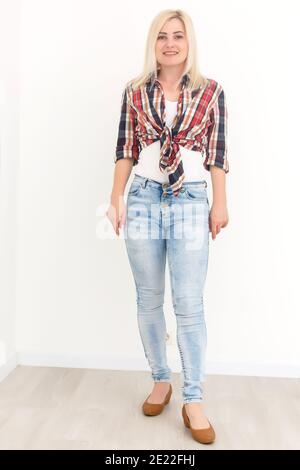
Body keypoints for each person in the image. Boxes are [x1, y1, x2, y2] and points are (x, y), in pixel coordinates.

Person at [106, 8, 229, 445]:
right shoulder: (135, 91)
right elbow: (124, 149)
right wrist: (116, 200)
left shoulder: (211, 92)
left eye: (178, 36)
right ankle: (161, 379)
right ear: (153, 44)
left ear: (188, 42)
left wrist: (220, 204)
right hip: (142, 198)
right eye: (162, 36)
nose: (170, 43)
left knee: (190, 304)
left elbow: (217, 154)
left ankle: (193, 399)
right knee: (149, 299)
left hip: (192, 200)